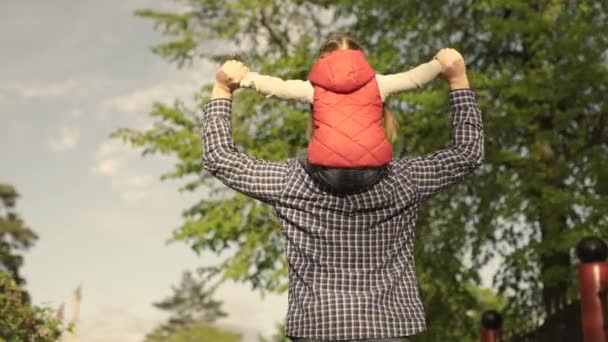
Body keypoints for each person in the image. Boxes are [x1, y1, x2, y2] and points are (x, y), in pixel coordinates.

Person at [201, 47, 483, 341]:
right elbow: (467, 153)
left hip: (317, 329)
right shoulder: (404, 181)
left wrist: (222, 89)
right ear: (377, 113)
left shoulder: (290, 183)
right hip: (389, 329)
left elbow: (220, 157)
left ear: (317, 117)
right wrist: (457, 79)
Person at [239, 33, 442, 194]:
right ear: (360, 60)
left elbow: (278, 87)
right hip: (372, 174)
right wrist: (440, 63)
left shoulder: (313, 89)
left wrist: (245, 77)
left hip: (329, 175)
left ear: (323, 62)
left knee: (302, 157)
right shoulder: (379, 84)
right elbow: (414, 78)